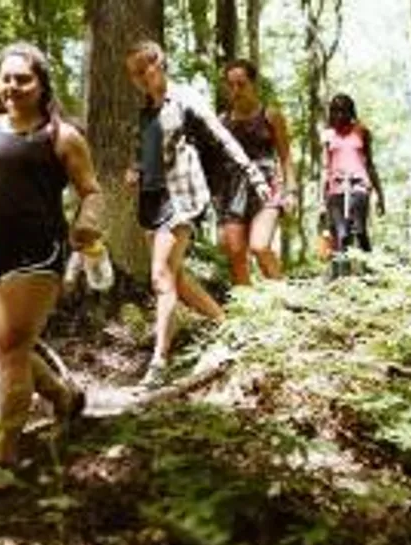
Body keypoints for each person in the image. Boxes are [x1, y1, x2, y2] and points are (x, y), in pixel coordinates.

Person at [0, 42, 103, 483]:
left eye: (23, 79)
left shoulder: (60, 135)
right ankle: (61, 395)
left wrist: (87, 223)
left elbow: (91, 190)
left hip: (39, 249)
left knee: (11, 345)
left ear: (41, 85)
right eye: (7, 78)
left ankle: (5, 459)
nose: (13, 87)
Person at [124, 41, 271, 387]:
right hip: (151, 200)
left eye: (145, 68)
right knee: (175, 280)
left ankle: (159, 362)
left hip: (182, 197)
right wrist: (135, 169)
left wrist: (254, 176)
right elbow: (144, 152)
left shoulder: (186, 98)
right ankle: (228, 327)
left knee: (160, 276)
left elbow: (222, 138)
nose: (140, 78)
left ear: (159, 64)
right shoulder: (146, 110)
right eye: (133, 73)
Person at [217, 59, 297, 285]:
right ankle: (246, 308)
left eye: (241, 84)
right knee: (235, 253)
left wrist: (291, 192)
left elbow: (286, 157)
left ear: (253, 84)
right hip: (233, 192)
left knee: (260, 246)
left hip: (267, 187)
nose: (236, 90)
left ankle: (283, 299)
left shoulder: (270, 116)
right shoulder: (221, 122)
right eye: (231, 85)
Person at [321, 93, 385, 276]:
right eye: (335, 110)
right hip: (336, 188)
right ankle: (341, 278)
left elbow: (370, 164)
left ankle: (369, 275)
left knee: (359, 230)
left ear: (351, 112)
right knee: (340, 234)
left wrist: (381, 195)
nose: (339, 115)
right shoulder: (328, 134)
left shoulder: (362, 131)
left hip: (359, 186)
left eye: (343, 110)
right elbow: (325, 166)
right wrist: (321, 200)